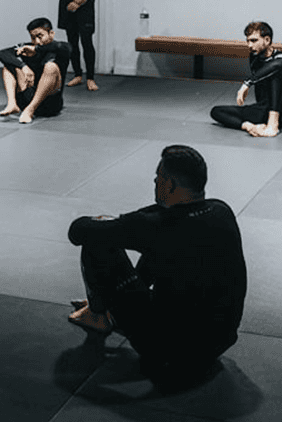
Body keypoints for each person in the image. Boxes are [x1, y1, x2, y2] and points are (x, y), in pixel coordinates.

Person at [67, 145, 247, 389]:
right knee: (165, 249)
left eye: (158, 177)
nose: (154, 182)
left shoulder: (155, 226)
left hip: (167, 352)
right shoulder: (221, 210)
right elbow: (165, 228)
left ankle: (97, 314)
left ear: (170, 185)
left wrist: (105, 222)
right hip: (218, 342)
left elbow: (78, 231)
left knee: (97, 242)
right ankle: (113, 310)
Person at [209, 21, 282, 137]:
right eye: (248, 41)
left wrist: (247, 84)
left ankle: (273, 124)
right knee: (216, 111)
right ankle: (251, 127)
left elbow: (274, 66)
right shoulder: (254, 58)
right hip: (264, 110)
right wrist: (248, 125)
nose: (249, 45)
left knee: (275, 73)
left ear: (267, 40)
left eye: (254, 41)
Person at [0, 17, 70, 123]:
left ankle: (30, 110)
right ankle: (12, 104)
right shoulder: (27, 47)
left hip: (50, 104)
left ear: (51, 34)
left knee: (51, 67)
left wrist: (36, 49)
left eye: (40, 36)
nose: (36, 41)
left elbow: (65, 47)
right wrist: (23, 66)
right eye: (33, 37)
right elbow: (2, 53)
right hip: (26, 99)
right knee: (8, 65)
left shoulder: (61, 49)